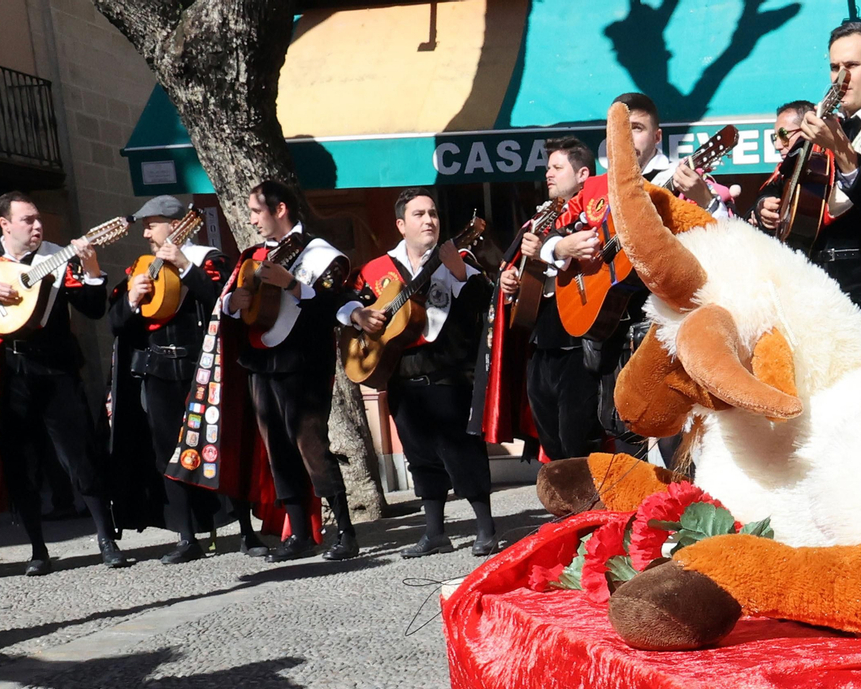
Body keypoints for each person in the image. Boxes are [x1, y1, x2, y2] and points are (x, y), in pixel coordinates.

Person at [0, 191, 127, 575]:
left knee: (80, 455)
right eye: (28, 220)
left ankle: (107, 539)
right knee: (20, 462)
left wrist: (91, 265)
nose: (37, 226)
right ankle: (38, 549)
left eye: (38, 219)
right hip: (9, 373)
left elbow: (92, 308)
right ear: (5, 224)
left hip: (56, 369)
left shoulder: (57, 258)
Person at [539, 92, 723, 461]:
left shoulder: (682, 180)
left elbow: (721, 234)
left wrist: (706, 201)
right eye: (619, 130)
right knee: (622, 435)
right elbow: (547, 237)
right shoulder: (592, 189)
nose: (625, 138)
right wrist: (563, 247)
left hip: (667, 326)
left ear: (657, 137)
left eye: (636, 128)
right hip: (612, 332)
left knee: (677, 442)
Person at [343, 188, 498, 557]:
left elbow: (485, 303)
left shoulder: (457, 257)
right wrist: (356, 314)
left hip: (449, 374)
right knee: (419, 456)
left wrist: (459, 271)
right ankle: (434, 532)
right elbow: (349, 299)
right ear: (401, 224)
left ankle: (486, 528)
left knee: (462, 452)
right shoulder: (378, 268)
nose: (429, 220)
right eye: (419, 214)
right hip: (400, 377)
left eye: (433, 213)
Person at [215, 180, 361, 562]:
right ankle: (299, 533)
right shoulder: (255, 254)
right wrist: (236, 301)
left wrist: (294, 285)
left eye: (255, 211)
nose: (251, 220)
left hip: (303, 362)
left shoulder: (320, 253)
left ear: (280, 209)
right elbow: (231, 305)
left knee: (312, 445)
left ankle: (345, 531)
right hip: (260, 360)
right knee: (277, 448)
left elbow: (331, 303)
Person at [108, 194, 253, 563]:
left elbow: (222, 299)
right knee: (167, 452)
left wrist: (186, 267)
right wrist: (130, 301)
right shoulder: (139, 268)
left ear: (174, 225)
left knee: (222, 442)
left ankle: (248, 532)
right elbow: (116, 325)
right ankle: (187, 537)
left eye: (150, 224)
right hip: (158, 372)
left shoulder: (210, 260)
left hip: (203, 368)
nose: (145, 234)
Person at [756, 23, 861, 355]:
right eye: (835, 67)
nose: (841, 77)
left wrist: (845, 155)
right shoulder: (820, 124)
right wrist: (764, 206)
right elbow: (777, 184)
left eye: (852, 66)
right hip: (807, 287)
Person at [497, 136, 604, 461]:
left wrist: (555, 248)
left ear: (583, 174)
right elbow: (514, 269)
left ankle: (591, 511)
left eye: (557, 168)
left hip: (577, 343)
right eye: (547, 168)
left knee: (579, 443)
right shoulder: (540, 217)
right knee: (552, 444)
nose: (549, 174)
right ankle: (566, 511)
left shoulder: (594, 209)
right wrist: (508, 280)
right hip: (540, 345)